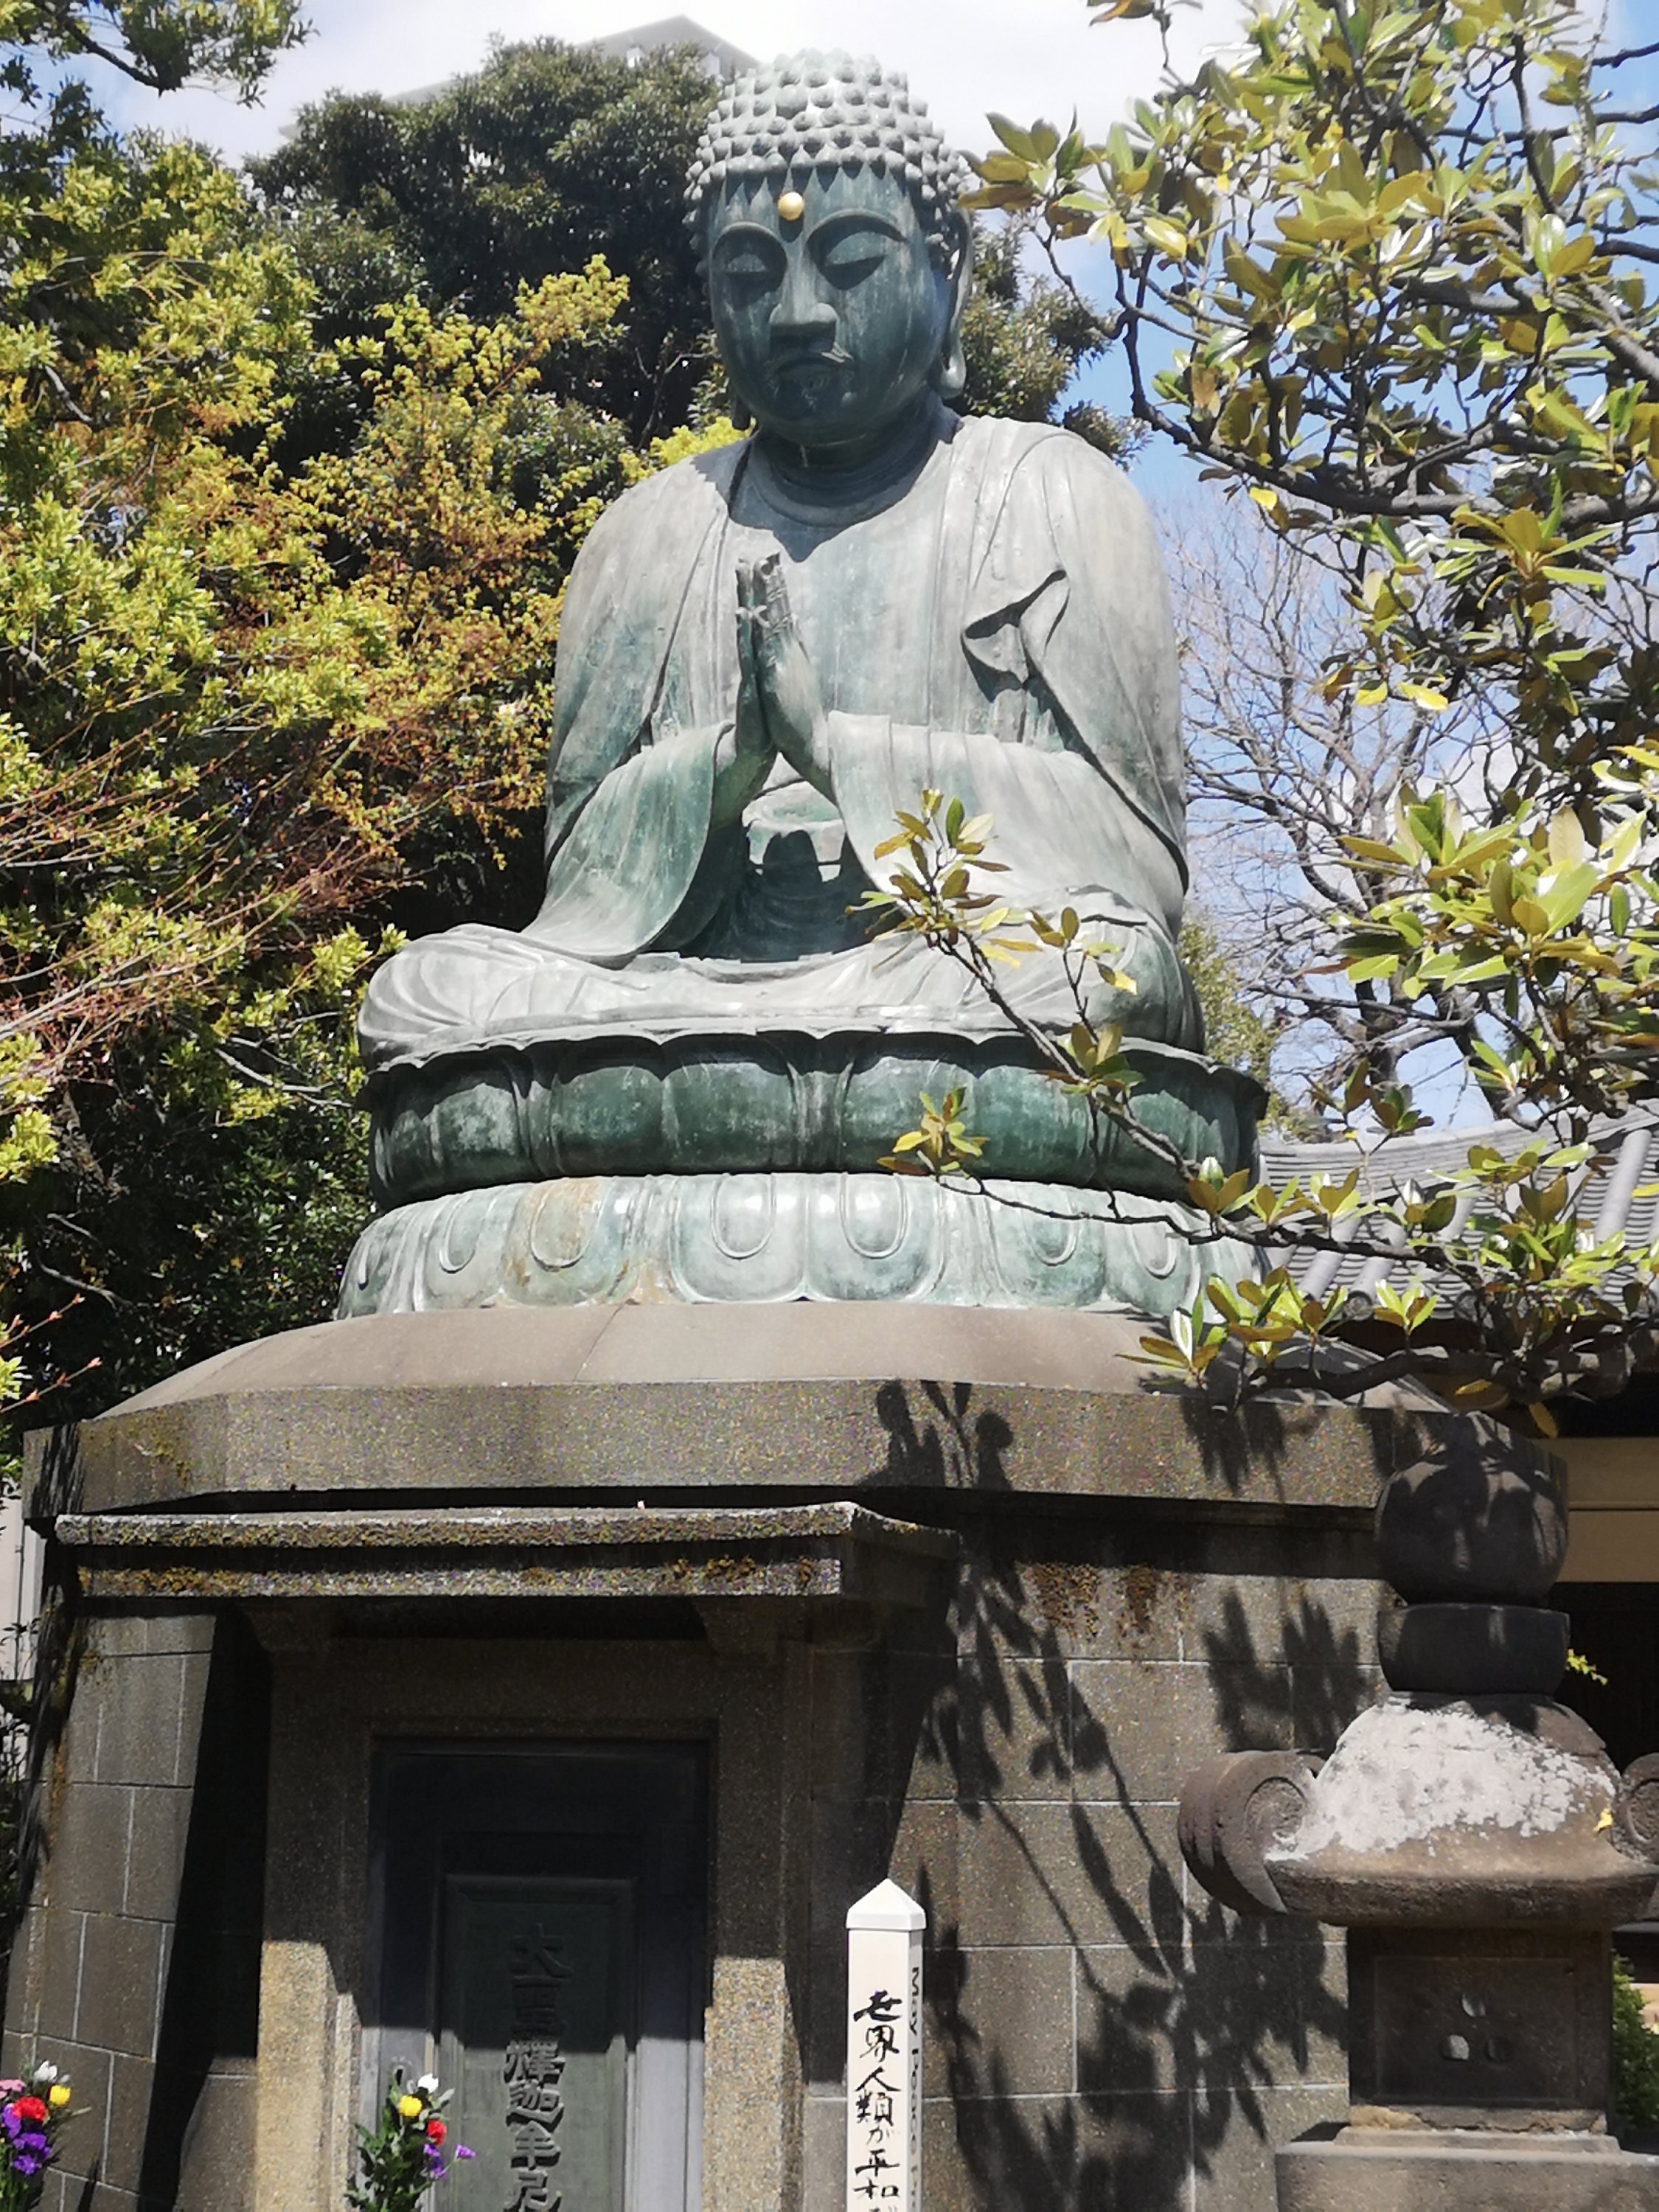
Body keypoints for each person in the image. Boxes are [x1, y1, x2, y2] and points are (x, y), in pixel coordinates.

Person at [359, 49, 1202, 1080]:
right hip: (681, 985)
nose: (798, 313)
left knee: (1104, 972)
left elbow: (1137, 863)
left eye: (850, 262)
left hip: (963, 972)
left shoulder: (1050, 493)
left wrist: (834, 749)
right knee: (426, 992)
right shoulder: (648, 533)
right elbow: (580, 881)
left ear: (950, 274)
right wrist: (726, 771)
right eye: (752, 276)